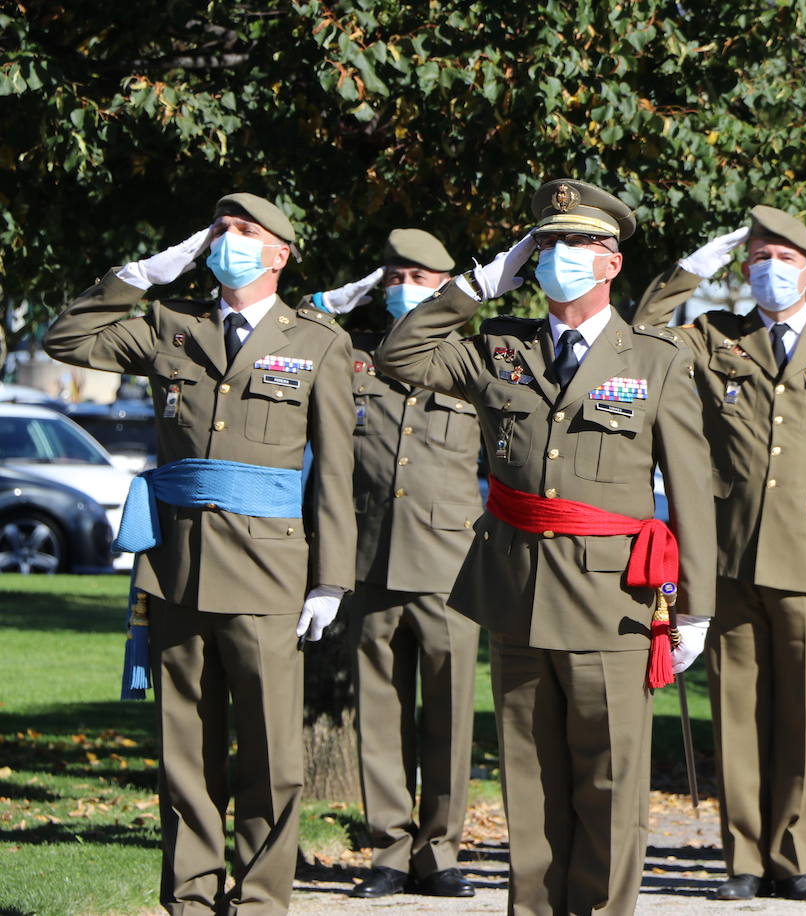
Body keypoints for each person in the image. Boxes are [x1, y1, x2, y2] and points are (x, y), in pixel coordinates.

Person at [375, 178, 716, 916]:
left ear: (611, 264)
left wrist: (695, 609)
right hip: (517, 595)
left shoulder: (655, 357)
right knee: (529, 788)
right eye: (547, 243)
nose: (559, 255)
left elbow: (691, 489)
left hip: (613, 601)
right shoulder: (501, 347)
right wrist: (473, 285)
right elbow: (399, 358)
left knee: (610, 784)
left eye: (576, 244)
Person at [43, 193, 356, 916]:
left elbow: (337, 472)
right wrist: (145, 272)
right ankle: (188, 900)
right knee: (186, 756)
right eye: (220, 230)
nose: (227, 241)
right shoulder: (170, 326)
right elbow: (67, 338)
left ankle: (259, 902)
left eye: (246, 232)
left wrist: (331, 580)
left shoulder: (318, 342)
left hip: (270, 574)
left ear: (280, 254)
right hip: (178, 566)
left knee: (273, 758)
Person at [632, 209, 806, 902]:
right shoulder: (715, 336)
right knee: (738, 712)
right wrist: (692, 268)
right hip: (729, 553)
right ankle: (744, 858)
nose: (765, 268)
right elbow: (642, 331)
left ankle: (797, 856)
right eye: (753, 258)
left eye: (779, 257)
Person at [308, 229, 484, 899]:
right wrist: (329, 298)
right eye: (392, 275)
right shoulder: (350, 358)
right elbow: (289, 329)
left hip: (450, 568)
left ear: (444, 288)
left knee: (449, 713)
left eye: (417, 276)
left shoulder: (473, 362)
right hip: (370, 562)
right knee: (379, 714)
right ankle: (389, 849)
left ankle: (440, 851)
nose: (401, 286)